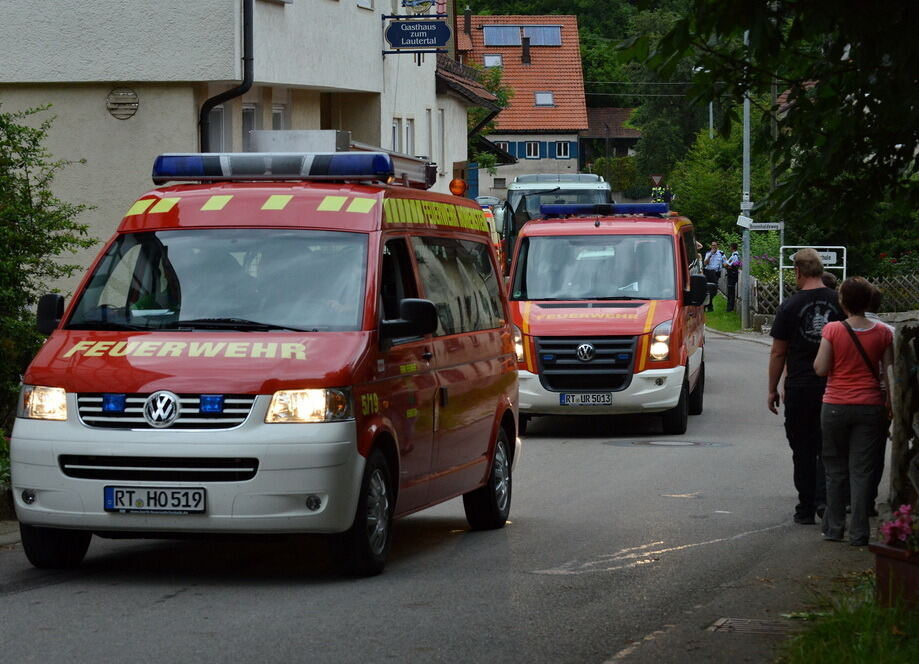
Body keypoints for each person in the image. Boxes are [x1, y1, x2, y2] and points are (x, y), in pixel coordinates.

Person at [813, 277, 893, 546]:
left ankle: (834, 528)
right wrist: (890, 404)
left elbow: (821, 368)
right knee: (862, 471)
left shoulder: (833, 330)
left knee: (834, 469)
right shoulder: (883, 333)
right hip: (870, 406)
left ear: (843, 301)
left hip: (835, 404)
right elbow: (888, 375)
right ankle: (859, 533)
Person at [768, 248, 842, 525]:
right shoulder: (839, 301)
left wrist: (772, 388)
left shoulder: (789, 306)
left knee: (802, 448)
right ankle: (826, 502)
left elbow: (778, 352)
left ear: (798, 271)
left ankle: (806, 507)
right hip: (835, 385)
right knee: (829, 448)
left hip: (799, 385)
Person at [703, 241, 725, 312]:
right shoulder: (708, 253)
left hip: (716, 273)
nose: (713, 247)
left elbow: (725, 263)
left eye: (715, 245)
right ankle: (709, 306)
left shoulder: (721, 254)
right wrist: (710, 255)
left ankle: (708, 304)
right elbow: (705, 263)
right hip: (708, 272)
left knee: (714, 290)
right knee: (707, 289)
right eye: (712, 245)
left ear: (717, 246)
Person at [724, 242, 741, 312]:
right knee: (731, 291)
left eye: (730, 247)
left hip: (732, 275)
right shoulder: (736, 255)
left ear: (732, 248)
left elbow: (726, 265)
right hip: (732, 275)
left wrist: (728, 266)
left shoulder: (734, 256)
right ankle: (730, 307)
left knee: (731, 292)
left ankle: (730, 308)